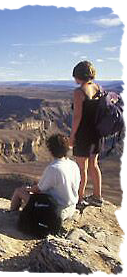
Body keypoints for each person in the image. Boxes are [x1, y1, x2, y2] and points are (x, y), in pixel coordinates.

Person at [10, 134, 80, 221]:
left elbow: (38, 189)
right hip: (71, 208)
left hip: (56, 211)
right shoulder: (73, 164)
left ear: (51, 150)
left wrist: (28, 189)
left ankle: (11, 216)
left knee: (19, 191)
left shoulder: (54, 168)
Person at [69, 60, 103, 207]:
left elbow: (77, 117)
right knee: (94, 165)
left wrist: (72, 137)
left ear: (79, 75)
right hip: (97, 133)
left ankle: (80, 199)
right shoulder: (99, 88)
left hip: (83, 134)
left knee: (81, 169)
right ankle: (97, 196)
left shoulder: (79, 92)